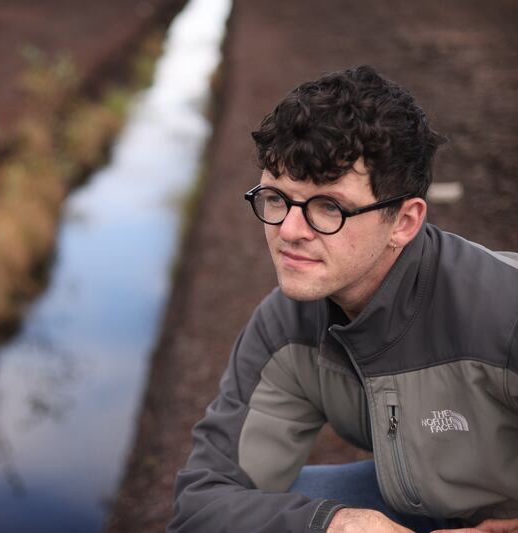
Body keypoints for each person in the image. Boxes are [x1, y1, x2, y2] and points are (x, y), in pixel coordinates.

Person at [168, 66, 518, 533]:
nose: (289, 232)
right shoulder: (284, 329)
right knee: (292, 509)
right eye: (276, 197)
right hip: (421, 503)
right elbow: (203, 505)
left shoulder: (503, 312)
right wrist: (336, 524)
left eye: (328, 207)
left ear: (404, 222)